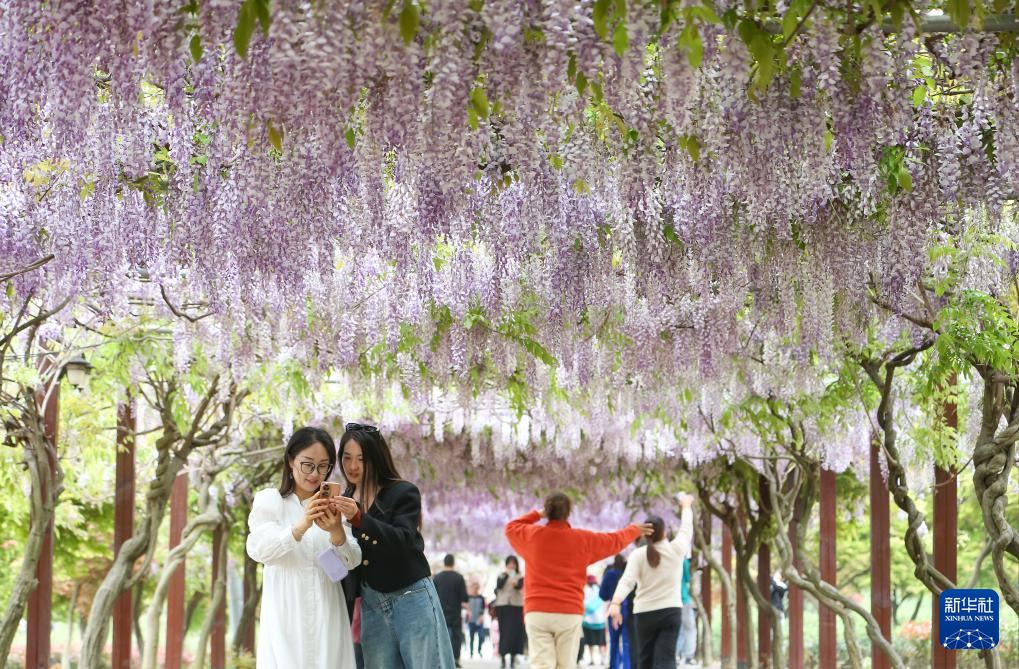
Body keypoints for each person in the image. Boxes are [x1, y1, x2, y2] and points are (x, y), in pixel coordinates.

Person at [328, 422, 455, 668]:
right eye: (346, 458)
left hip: (410, 596)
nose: (353, 466)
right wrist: (331, 531)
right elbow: (344, 560)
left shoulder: (402, 492)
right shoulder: (342, 501)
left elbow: (403, 540)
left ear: (376, 459)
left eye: (362, 459)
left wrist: (360, 519)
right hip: (371, 603)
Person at [246, 426, 361, 669]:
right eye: (307, 465)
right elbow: (259, 550)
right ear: (291, 461)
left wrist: (337, 532)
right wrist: (300, 526)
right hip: (285, 611)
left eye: (323, 466)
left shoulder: (333, 507)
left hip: (327, 608)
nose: (315, 474)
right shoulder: (271, 500)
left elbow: (350, 563)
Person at [505, 491, 653, 669]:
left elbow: (511, 527)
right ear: (568, 513)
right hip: (569, 612)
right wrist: (633, 530)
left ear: (547, 510)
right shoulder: (582, 540)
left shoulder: (532, 536)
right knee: (566, 665)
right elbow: (614, 541)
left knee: (541, 665)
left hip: (537, 610)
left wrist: (538, 514)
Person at [609, 493, 695, 669]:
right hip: (671, 611)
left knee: (645, 660)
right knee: (667, 660)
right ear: (664, 532)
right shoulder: (676, 549)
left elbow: (627, 581)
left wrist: (615, 603)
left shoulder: (637, 555)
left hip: (644, 614)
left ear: (645, 534)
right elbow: (686, 529)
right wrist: (686, 506)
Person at [434, 553, 470, 667]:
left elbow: (433, 596)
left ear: (444, 563)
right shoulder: (459, 577)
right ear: (453, 563)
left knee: (441, 634)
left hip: (441, 611)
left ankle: (442, 658)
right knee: (456, 636)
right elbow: (464, 598)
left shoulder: (437, 578)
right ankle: (456, 659)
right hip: (455, 612)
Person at [493, 555, 526, 668]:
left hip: (516, 606)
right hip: (503, 606)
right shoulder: (501, 575)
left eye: (513, 563)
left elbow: (519, 586)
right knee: (503, 632)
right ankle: (502, 658)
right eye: (509, 563)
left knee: (514, 632)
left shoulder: (520, 576)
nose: (511, 566)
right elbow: (499, 586)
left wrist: (516, 584)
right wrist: (507, 575)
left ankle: (512, 659)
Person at [600, 555, 632, 669]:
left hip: (613, 609)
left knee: (614, 643)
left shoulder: (609, 574)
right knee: (627, 643)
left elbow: (602, 595)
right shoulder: (628, 574)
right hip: (627, 610)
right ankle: (627, 666)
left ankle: (614, 666)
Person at [579, 574, 607, 665]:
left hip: (588, 621)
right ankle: (602, 659)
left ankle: (592, 660)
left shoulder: (585, 590)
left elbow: (583, 604)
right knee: (601, 642)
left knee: (590, 642)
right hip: (600, 621)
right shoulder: (599, 590)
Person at [675, 555, 697, 665]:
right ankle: (688, 656)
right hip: (683, 599)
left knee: (678, 629)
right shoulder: (683, 561)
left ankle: (676, 655)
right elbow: (688, 579)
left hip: (671, 600)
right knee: (689, 628)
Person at [467, 580, 490, 659]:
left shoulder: (481, 598)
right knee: (471, 637)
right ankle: (471, 652)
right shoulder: (468, 597)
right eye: (474, 588)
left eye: (477, 588)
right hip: (471, 620)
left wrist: (481, 617)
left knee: (481, 636)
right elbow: (466, 607)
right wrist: (468, 612)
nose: (475, 589)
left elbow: (483, 609)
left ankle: (479, 650)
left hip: (479, 620)